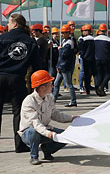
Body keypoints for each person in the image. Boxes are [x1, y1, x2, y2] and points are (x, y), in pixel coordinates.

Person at [0, 12, 40, 151]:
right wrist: (36, 84)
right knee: (19, 112)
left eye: (9, 23)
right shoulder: (30, 41)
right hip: (17, 78)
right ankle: (20, 144)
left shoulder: (2, 38)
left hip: (0, 76)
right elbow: (37, 65)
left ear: (15, 24)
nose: (7, 25)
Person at [19, 66, 64, 163]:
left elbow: (55, 114)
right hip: (29, 133)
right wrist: (49, 134)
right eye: (50, 84)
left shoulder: (49, 97)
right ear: (42, 87)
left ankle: (48, 150)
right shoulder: (29, 101)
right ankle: (34, 156)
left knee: (66, 136)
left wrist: (72, 118)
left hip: (44, 128)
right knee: (34, 132)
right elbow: (36, 123)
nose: (52, 86)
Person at [53, 25, 77, 107]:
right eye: (61, 32)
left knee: (69, 84)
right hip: (61, 66)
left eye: (64, 33)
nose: (62, 34)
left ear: (68, 33)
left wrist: (60, 49)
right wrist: (58, 65)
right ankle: (53, 100)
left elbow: (64, 54)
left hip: (65, 67)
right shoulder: (63, 41)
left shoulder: (69, 43)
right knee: (56, 84)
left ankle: (73, 101)